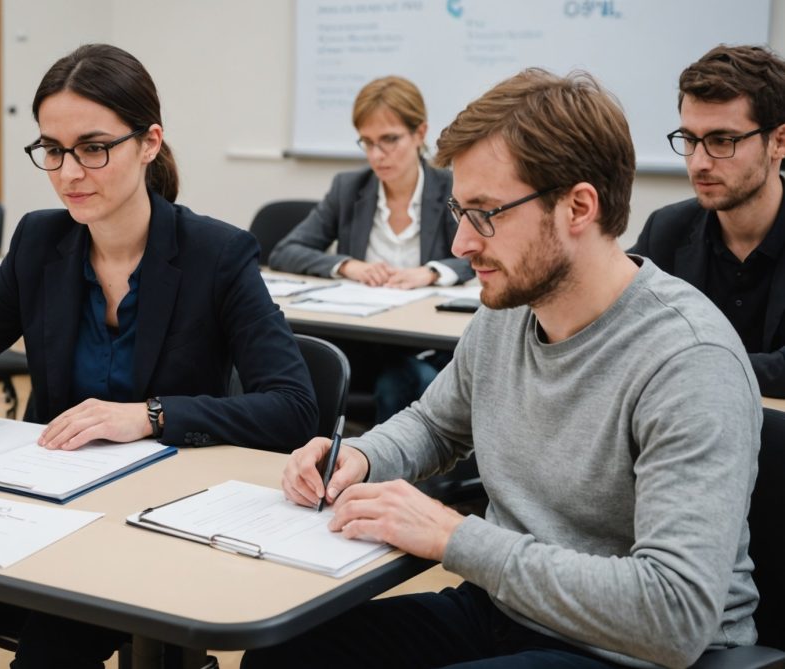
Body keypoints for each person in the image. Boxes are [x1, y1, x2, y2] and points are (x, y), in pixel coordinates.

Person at [243, 69, 761, 669]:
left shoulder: (688, 361)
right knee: (281, 658)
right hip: (508, 610)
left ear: (578, 207)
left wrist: (453, 536)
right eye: (460, 210)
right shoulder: (511, 309)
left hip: (630, 652)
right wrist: (359, 457)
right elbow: (436, 425)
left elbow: (673, 616)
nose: (461, 243)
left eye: (486, 213)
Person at [0, 44, 317, 668]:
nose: (69, 173)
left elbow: (293, 408)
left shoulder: (215, 254)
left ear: (148, 143)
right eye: (52, 151)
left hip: (154, 524)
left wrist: (149, 415)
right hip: (47, 508)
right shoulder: (41, 240)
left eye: (93, 148)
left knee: (54, 644)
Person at [269, 76, 473, 421]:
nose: (377, 155)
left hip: (427, 347)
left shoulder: (451, 186)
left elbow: (480, 253)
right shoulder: (349, 188)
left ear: (420, 133)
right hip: (362, 344)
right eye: (367, 142)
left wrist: (432, 272)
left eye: (389, 140)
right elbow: (286, 250)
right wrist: (349, 266)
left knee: (405, 380)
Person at [632, 44, 785, 398]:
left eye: (721, 140)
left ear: (778, 142)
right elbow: (616, 322)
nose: (699, 162)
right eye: (689, 139)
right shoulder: (667, 230)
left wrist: (685, 361)